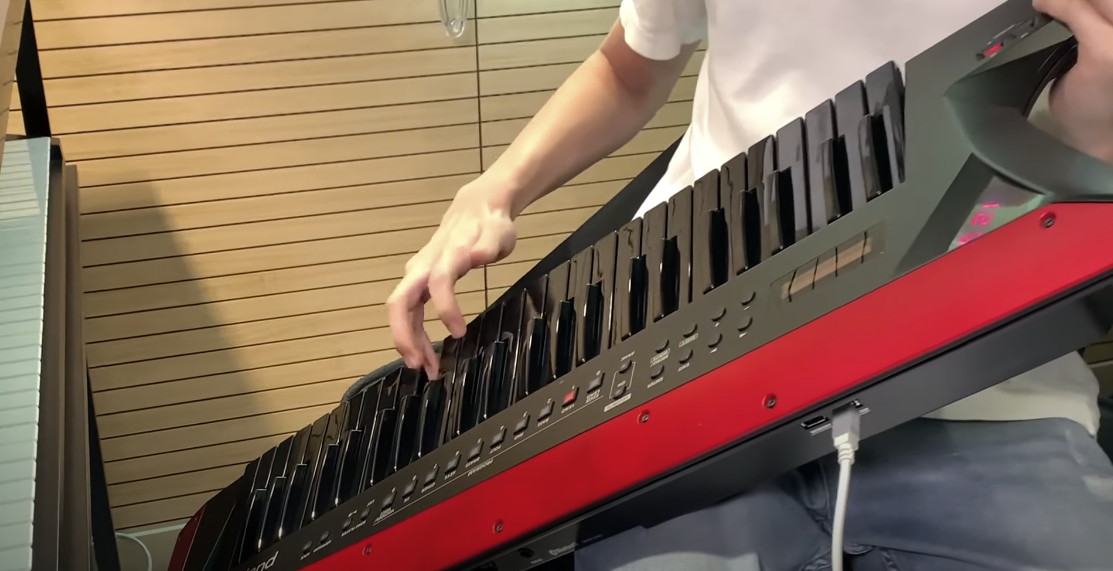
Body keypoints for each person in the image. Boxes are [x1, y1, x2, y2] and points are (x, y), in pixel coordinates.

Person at [388, 0, 1113, 568]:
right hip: (696, 342)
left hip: (979, 374)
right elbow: (630, 66)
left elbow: (1070, 157)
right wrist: (491, 190)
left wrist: (1093, 117)